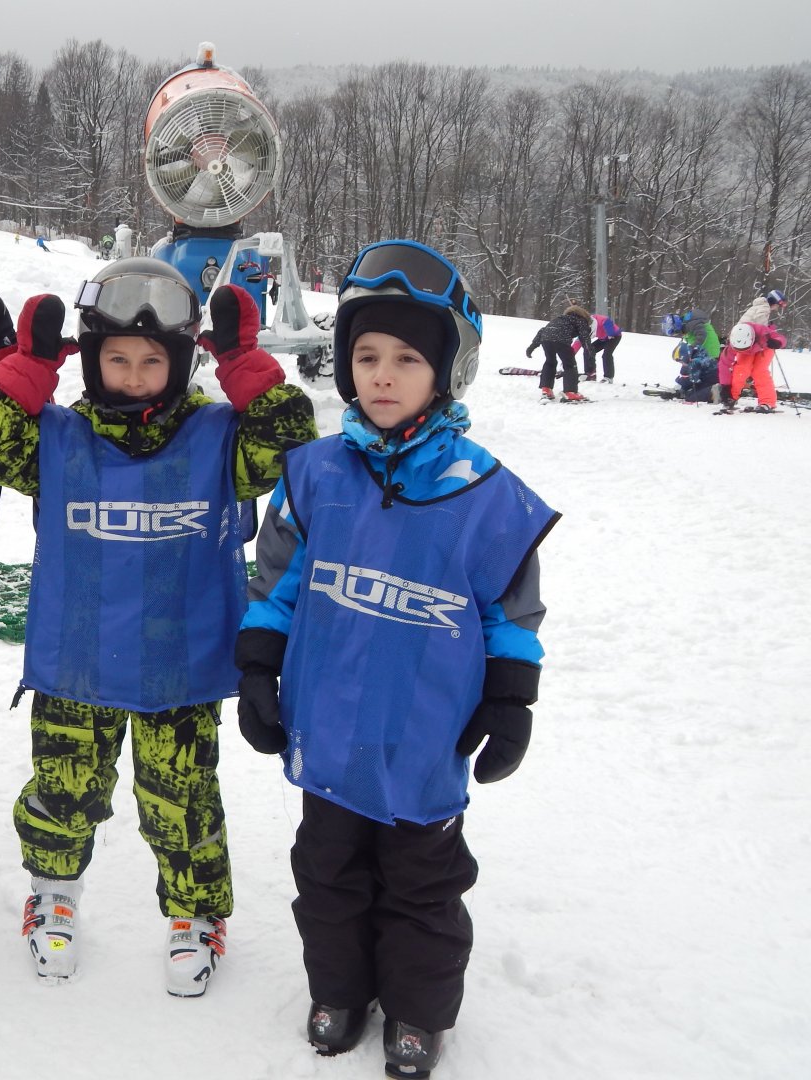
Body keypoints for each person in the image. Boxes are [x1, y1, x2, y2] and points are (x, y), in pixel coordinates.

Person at [234, 239, 558, 1077]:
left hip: (423, 739)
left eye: (408, 358)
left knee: (422, 885)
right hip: (329, 734)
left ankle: (417, 1009)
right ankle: (339, 990)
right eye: (367, 355)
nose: (383, 375)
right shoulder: (313, 476)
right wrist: (259, 667)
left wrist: (510, 700)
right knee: (327, 873)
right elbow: (276, 585)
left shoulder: (485, 494)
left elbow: (511, 614)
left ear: (446, 372)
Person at [0, 259, 318, 995]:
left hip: (178, 667)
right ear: (91, 361)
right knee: (63, 795)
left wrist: (245, 363)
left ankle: (196, 916)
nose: (134, 377)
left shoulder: (220, 440)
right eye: (116, 360)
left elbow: (293, 446)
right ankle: (52, 896)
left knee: (182, 803)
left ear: (181, 362)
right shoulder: (57, 439)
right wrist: (26, 368)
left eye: (153, 362)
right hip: (77, 663)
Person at [721, 288, 788, 412]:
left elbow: (778, 337)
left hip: (763, 345)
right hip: (748, 345)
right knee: (741, 369)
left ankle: (767, 402)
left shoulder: (761, 329)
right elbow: (724, 365)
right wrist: (725, 387)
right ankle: (731, 398)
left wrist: (777, 342)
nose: (777, 308)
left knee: (759, 370)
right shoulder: (734, 342)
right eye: (778, 305)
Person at [525, 304, 593, 401]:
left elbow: (543, 330)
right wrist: (590, 354)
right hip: (562, 340)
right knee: (570, 365)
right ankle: (570, 392)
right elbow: (585, 338)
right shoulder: (580, 320)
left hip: (546, 339)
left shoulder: (559, 318)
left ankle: (546, 389)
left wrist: (532, 346)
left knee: (550, 362)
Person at [585, 312, 622, 382]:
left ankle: (609, 377)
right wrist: (571, 353)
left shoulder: (598, 319)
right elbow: (577, 343)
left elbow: (607, 321)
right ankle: (591, 374)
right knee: (588, 350)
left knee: (606, 354)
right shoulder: (583, 327)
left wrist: (610, 332)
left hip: (615, 336)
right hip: (603, 338)